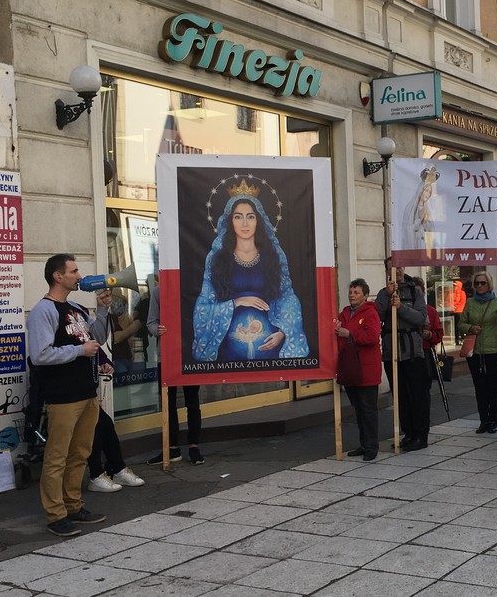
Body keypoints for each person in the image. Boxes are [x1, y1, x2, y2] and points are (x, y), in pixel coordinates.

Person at [27, 254, 110, 537]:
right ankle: (55, 515)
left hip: (86, 393)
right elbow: (39, 355)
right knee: (57, 457)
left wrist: (102, 312)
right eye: (73, 271)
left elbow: (95, 339)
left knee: (80, 453)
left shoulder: (75, 307)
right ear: (57, 276)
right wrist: (79, 351)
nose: (78, 275)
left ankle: (73, 505)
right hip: (62, 397)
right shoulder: (44, 311)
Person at [192, 187, 308, 362]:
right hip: (228, 351)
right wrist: (236, 303)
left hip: (271, 349)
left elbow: (288, 297)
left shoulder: (274, 256)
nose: (244, 223)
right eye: (238, 217)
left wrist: (283, 333)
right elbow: (203, 307)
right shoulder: (217, 259)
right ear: (230, 221)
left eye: (250, 216)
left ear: (258, 220)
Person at [145, 283, 205, 465]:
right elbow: (151, 322)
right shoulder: (158, 291)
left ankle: (194, 446)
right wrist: (157, 330)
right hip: (168, 356)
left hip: (190, 354)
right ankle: (172, 448)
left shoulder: (194, 287)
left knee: (192, 401)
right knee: (168, 403)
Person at [377, 259, 430, 451]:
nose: (397, 270)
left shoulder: (414, 291)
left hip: (412, 351)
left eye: (399, 266)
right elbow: (378, 316)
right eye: (392, 267)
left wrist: (400, 307)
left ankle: (420, 435)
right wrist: (387, 295)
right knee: (400, 396)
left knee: (417, 395)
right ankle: (408, 433)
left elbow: (420, 317)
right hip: (392, 352)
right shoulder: (383, 293)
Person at [86, 329, 145, 494]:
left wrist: (105, 362)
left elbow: (96, 347)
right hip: (69, 390)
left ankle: (116, 468)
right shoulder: (51, 316)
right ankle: (97, 474)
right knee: (96, 426)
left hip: (86, 388)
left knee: (104, 423)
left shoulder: (80, 318)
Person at [336, 278, 382, 461]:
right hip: (349, 368)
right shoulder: (345, 313)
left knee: (368, 409)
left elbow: (371, 337)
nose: (352, 295)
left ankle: (372, 446)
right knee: (358, 409)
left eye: (356, 292)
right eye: (350, 292)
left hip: (366, 369)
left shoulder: (371, 313)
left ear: (365, 295)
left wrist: (350, 334)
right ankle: (364, 444)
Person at [460, 271, 497, 434]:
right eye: (477, 283)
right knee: (479, 387)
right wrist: (471, 328)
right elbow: (461, 323)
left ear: (489, 284)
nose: (479, 286)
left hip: (494, 350)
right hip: (475, 351)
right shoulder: (470, 303)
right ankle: (483, 420)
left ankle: (493, 420)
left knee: (493, 386)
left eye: (483, 283)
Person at [451, 278, 467, 344]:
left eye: (455, 285)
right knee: (454, 326)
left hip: (459, 311)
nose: (454, 286)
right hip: (452, 311)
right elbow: (448, 300)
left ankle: (462, 338)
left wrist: (454, 306)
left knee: (460, 326)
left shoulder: (462, 293)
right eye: (454, 285)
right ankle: (456, 339)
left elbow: (462, 302)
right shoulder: (451, 293)